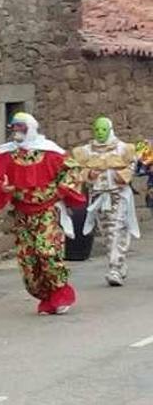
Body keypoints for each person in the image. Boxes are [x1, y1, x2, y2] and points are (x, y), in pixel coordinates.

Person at [0, 112, 85, 315]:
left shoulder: (50, 152)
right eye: (13, 127)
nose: (16, 132)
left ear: (30, 128)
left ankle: (60, 293)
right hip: (22, 214)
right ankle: (46, 296)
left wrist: (60, 190)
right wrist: (2, 189)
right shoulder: (6, 155)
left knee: (47, 252)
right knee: (28, 260)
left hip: (47, 210)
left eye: (20, 127)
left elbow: (73, 171)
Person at [72, 117, 139, 287]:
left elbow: (132, 164)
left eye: (103, 129)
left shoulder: (122, 148)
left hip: (118, 195)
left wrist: (122, 176)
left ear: (110, 130)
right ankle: (120, 263)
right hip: (98, 197)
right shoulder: (87, 151)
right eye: (97, 129)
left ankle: (114, 267)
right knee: (107, 231)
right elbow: (78, 169)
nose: (100, 133)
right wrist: (88, 175)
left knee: (117, 228)